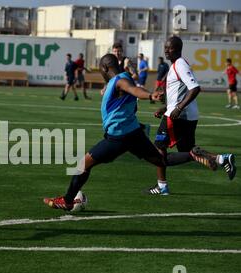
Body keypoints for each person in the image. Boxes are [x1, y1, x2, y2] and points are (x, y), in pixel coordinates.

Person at [44, 54, 166, 210]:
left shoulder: (120, 81)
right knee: (161, 161)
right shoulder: (120, 78)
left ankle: (68, 201)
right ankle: (192, 155)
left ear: (104, 68)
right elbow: (133, 86)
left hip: (118, 138)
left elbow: (133, 89)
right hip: (134, 134)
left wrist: (150, 95)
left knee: (83, 164)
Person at [147, 36, 236, 195]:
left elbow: (194, 88)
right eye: (165, 48)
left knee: (158, 151)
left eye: (170, 48)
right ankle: (222, 159)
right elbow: (180, 93)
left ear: (178, 49)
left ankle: (162, 187)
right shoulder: (177, 65)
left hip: (177, 117)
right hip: (183, 115)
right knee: (188, 151)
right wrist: (164, 107)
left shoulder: (180, 64)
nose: (166, 50)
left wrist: (178, 108)